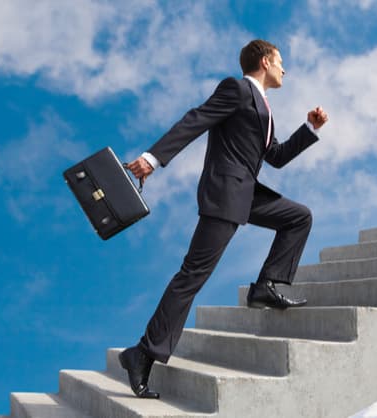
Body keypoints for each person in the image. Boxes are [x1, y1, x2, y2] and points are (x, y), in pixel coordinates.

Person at [119, 39, 329, 399]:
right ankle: (142, 353)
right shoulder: (235, 89)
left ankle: (265, 287)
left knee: (299, 218)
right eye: (281, 62)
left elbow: (275, 156)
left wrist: (309, 130)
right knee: (192, 276)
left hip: (245, 195)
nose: (285, 69)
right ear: (265, 61)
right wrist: (153, 159)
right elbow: (196, 119)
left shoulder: (263, 107)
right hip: (225, 195)